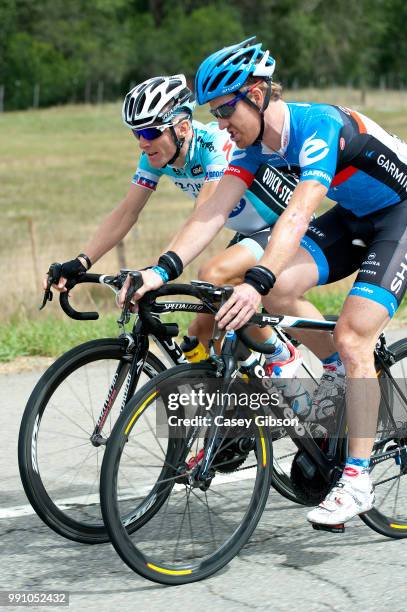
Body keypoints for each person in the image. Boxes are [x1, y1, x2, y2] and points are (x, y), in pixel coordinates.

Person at [124, 38, 407, 526]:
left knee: (353, 332)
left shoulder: (318, 126)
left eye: (225, 109)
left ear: (256, 94)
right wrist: (160, 269)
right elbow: (211, 212)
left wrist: (254, 279)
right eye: (214, 113)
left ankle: (357, 480)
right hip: (356, 215)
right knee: (279, 291)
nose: (220, 123)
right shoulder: (252, 147)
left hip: (399, 217)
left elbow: (298, 212)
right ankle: (340, 382)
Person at [45, 73, 301, 374]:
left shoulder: (215, 145)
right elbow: (127, 211)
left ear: (181, 127)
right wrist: (81, 260)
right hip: (249, 233)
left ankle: (279, 353)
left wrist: (158, 271)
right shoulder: (155, 156)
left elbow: (204, 212)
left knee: (213, 274)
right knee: (198, 337)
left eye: (151, 133)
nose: (143, 142)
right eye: (136, 134)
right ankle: (247, 400)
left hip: (283, 226)